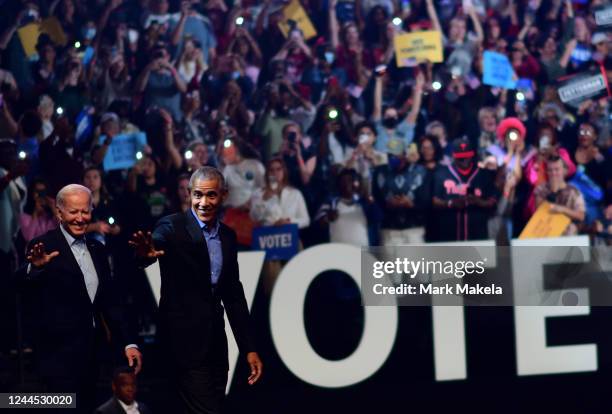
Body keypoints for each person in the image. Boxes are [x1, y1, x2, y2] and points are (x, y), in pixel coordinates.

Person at [129, 166, 262, 414]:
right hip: (183, 346)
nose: (203, 202)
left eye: (211, 195)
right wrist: (145, 253)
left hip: (217, 347)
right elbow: (154, 244)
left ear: (223, 195)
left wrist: (249, 347)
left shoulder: (228, 237)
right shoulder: (172, 226)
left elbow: (233, 296)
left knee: (214, 407)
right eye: (198, 195)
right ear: (189, 194)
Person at [17, 184, 142, 414]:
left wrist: (128, 343)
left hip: (92, 357)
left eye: (85, 211)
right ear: (59, 212)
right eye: (74, 212)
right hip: (57, 359)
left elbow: (110, 303)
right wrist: (33, 269)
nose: (80, 218)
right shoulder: (44, 245)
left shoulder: (98, 249)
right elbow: (19, 285)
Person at [432, 138, 498, 241]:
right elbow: (433, 201)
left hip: (477, 234)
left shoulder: (483, 174)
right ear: (453, 156)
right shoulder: (442, 173)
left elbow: (493, 201)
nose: (465, 161)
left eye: (467, 157)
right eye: (461, 158)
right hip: (449, 234)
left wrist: (478, 202)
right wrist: (450, 203)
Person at [534, 155, 586, 236]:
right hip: (546, 233)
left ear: (564, 171)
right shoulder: (541, 189)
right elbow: (538, 210)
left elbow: (581, 215)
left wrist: (562, 209)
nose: (553, 173)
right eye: (550, 170)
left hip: (568, 235)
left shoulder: (574, 191)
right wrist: (553, 191)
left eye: (557, 169)